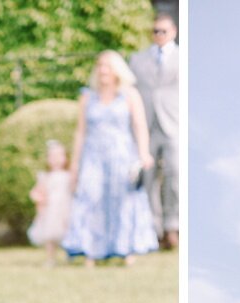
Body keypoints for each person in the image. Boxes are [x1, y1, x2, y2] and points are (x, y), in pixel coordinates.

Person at [60, 50, 158, 265]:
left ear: (117, 70)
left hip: (121, 154)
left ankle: (126, 249)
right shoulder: (87, 97)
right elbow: (80, 132)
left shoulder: (130, 94)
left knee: (122, 200)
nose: (103, 70)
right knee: (90, 197)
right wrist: (75, 164)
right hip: (93, 155)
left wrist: (143, 153)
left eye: (107, 65)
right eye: (100, 65)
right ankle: (90, 250)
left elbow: (139, 125)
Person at [130, 9, 180, 249]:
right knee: (148, 179)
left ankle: (173, 226)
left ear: (173, 32)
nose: (159, 35)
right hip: (146, 125)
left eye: (164, 31)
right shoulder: (137, 60)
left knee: (175, 175)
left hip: (173, 125)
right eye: (155, 31)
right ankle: (153, 229)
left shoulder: (184, 57)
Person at [28, 139, 74, 266]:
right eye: (52, 156)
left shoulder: (69, 175)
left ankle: (69, 256)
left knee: (67, 233)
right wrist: (38, 199)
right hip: (51, 210)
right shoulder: (45, 176)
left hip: (65, 208)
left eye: (59, 156)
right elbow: (37, 191)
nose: (56, 160)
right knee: (50, 236)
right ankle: (50, 258)